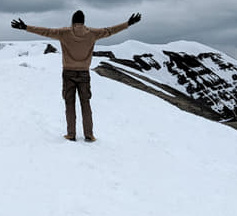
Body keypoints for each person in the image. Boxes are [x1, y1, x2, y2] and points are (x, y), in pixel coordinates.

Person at [11, 10, 142, 142]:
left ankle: (71, 134)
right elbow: (110, 31)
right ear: (83, 21)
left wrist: (25, 27)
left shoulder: (64, 33)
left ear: (73, 21)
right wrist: (128, 23)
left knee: (70, 104)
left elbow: (46, 31)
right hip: (84, 73)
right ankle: (89, 134)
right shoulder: (92, 33)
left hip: (68, 72)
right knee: (86, 104)